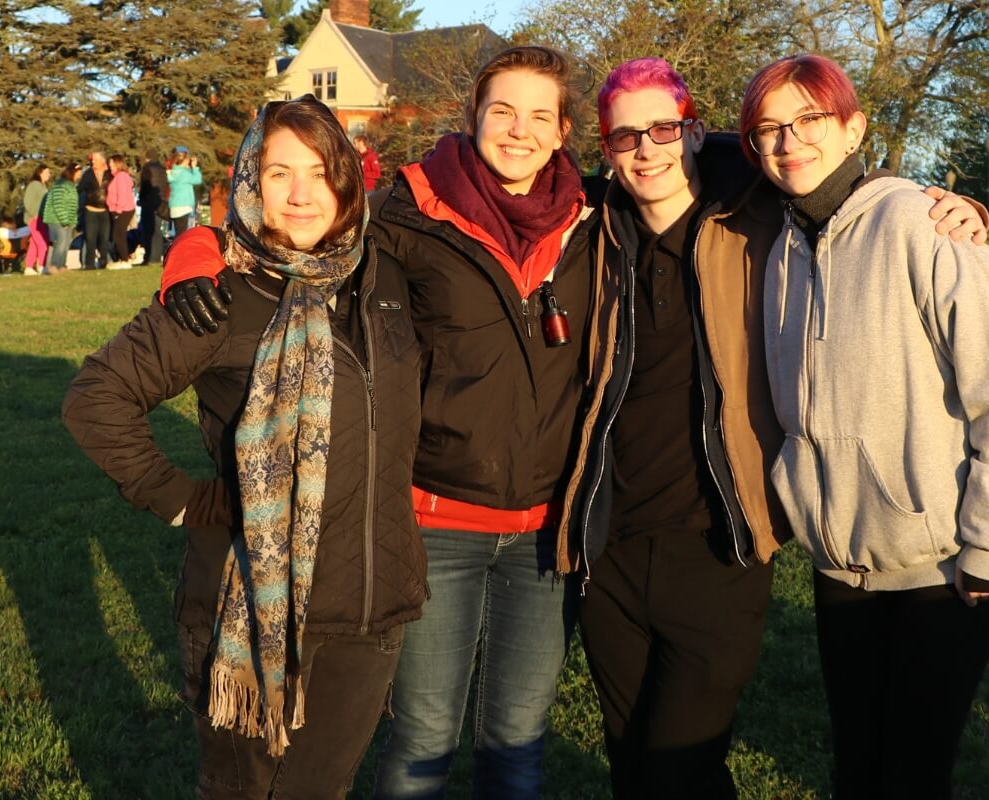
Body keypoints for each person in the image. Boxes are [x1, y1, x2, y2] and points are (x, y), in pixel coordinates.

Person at [157, 45, 598, 800]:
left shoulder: (597, 222)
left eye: (538, 116)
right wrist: (193, 252)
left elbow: (692, 170)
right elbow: (301, 240)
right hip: (434, 521)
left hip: (544, 532)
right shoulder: (410, 212)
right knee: (422, 739)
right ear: (472, 119)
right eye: (501, 112)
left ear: (563, 132)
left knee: (519, 746)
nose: (518, 131)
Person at [553, 57, 989, 800]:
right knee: (633, 766)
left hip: (718, 538)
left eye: (664, 128)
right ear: (603, 151)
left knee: (677, 766)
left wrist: (959, 207)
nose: (647, 149)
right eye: (625, 138)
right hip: (611, 546)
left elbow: (837, 188)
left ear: (695, 133)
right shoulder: (589, 233)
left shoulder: (755, 216)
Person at [62, 95, 427, 798]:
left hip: (369, 607)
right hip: (251, 605)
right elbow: (96, 398)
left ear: (350, 181)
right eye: (278, 172)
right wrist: (183, 500)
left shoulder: (388, 275)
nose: (299, 195)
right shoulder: (222, 288)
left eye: (320, 173)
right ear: (250, 181)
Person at [739, 53, 989, 798]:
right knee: (858, 766)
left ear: (853, 128)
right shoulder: (783, 242)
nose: (790, 143)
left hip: (942, 567)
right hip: (841, 562)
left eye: (810, 120)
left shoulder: (923, 227)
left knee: (911, 775)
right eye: (768, 130)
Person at [42, 163, 81, 274]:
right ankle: (54, 266)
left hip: (68, 220)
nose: (79, 176)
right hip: (57, 219)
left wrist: (72, 221)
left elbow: (72, 205)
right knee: (61, 241)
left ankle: (62, 266)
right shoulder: (60, 185)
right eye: (78, 173)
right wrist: (64, 220)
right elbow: (59, 203)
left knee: (66, 242)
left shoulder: (71, 186)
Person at [77, 150, 110, 269]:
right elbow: (80, 188)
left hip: (105, 211)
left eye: (95, 160)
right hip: (90, 211)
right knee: (90, 238)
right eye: (92, 160)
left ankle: (103, 262)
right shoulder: (88, 174)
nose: (93, 162)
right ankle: (89, 264)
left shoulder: (109, 174)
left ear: (103, 161)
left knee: (104, 239)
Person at [138, 148, 169, 265]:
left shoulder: (147, 168)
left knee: (148, 231)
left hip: (148, 204)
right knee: (157, 230)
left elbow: (145, 186)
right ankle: (156, 257)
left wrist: (141, 199)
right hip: (160, 203)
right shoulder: (162, 169)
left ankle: (148, 257)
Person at [105, 154, 136, 269]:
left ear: (118, 164)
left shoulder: (122, 176)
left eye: (112, 164)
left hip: (123, 210)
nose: (110, 166)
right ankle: (122, 258)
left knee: (119, 235)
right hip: (118, 209)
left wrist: (118, 211)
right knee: (118, 235)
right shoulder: (116, 177)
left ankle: (124, 259)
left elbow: (122, 195)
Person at [22, 163, 52, 276]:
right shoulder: (34, 185)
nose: (49, 174)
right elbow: (27, 201)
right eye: (46, 172)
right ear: (40, 173)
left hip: (43, 218)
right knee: (43, 242)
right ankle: (41, 266)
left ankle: (29, 267)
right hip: (35, 219)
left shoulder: (43, 186)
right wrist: (34, 214)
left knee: (35, 244)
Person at [168, 146, 204, 236]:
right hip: (184, 207)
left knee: (178, 233)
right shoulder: (184, 174)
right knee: (182, 235)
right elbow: (197, 179)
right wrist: (194, 167)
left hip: (174, 206)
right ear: (184, 160)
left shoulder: (173, 171)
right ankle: (180, 250)